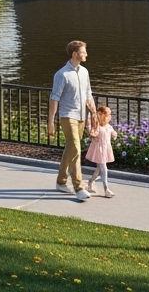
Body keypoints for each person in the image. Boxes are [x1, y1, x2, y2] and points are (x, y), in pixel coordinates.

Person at [48, 39, 94, 201]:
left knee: (70, 148)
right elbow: (54, 98)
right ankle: (78, 187)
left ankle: (61, 182)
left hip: (82, 116)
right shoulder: (62, 74)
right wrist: (51, 122)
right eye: (83, 51)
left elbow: (88, 94)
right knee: (76, 148)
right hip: (68, 116)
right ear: (75, 54)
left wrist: (93, 113)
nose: (86, 54)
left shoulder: (84, 72)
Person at [84, 105, 117, 197]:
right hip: (99, 150)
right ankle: (106, 189)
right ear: (102, 115)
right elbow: (94, 134)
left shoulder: (108, 126)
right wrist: (92, 133)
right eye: (108, 114)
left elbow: (114, 134)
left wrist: (114, 136)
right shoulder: (98, 126)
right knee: (104, 168)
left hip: (105, 149)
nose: (110, 116)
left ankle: (90, 182)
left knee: (99, 169)